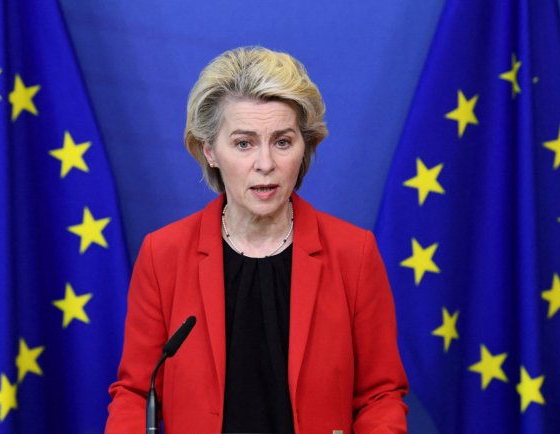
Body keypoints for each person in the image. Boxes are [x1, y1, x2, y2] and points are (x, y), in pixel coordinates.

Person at [105, 46, 408, 434]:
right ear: (209, 151)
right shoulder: (163, 254)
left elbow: (379, 396)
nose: (265, 164)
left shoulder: (354, 254)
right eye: (244, 143)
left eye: (282, 142)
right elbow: (136, 393)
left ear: (305, 147)